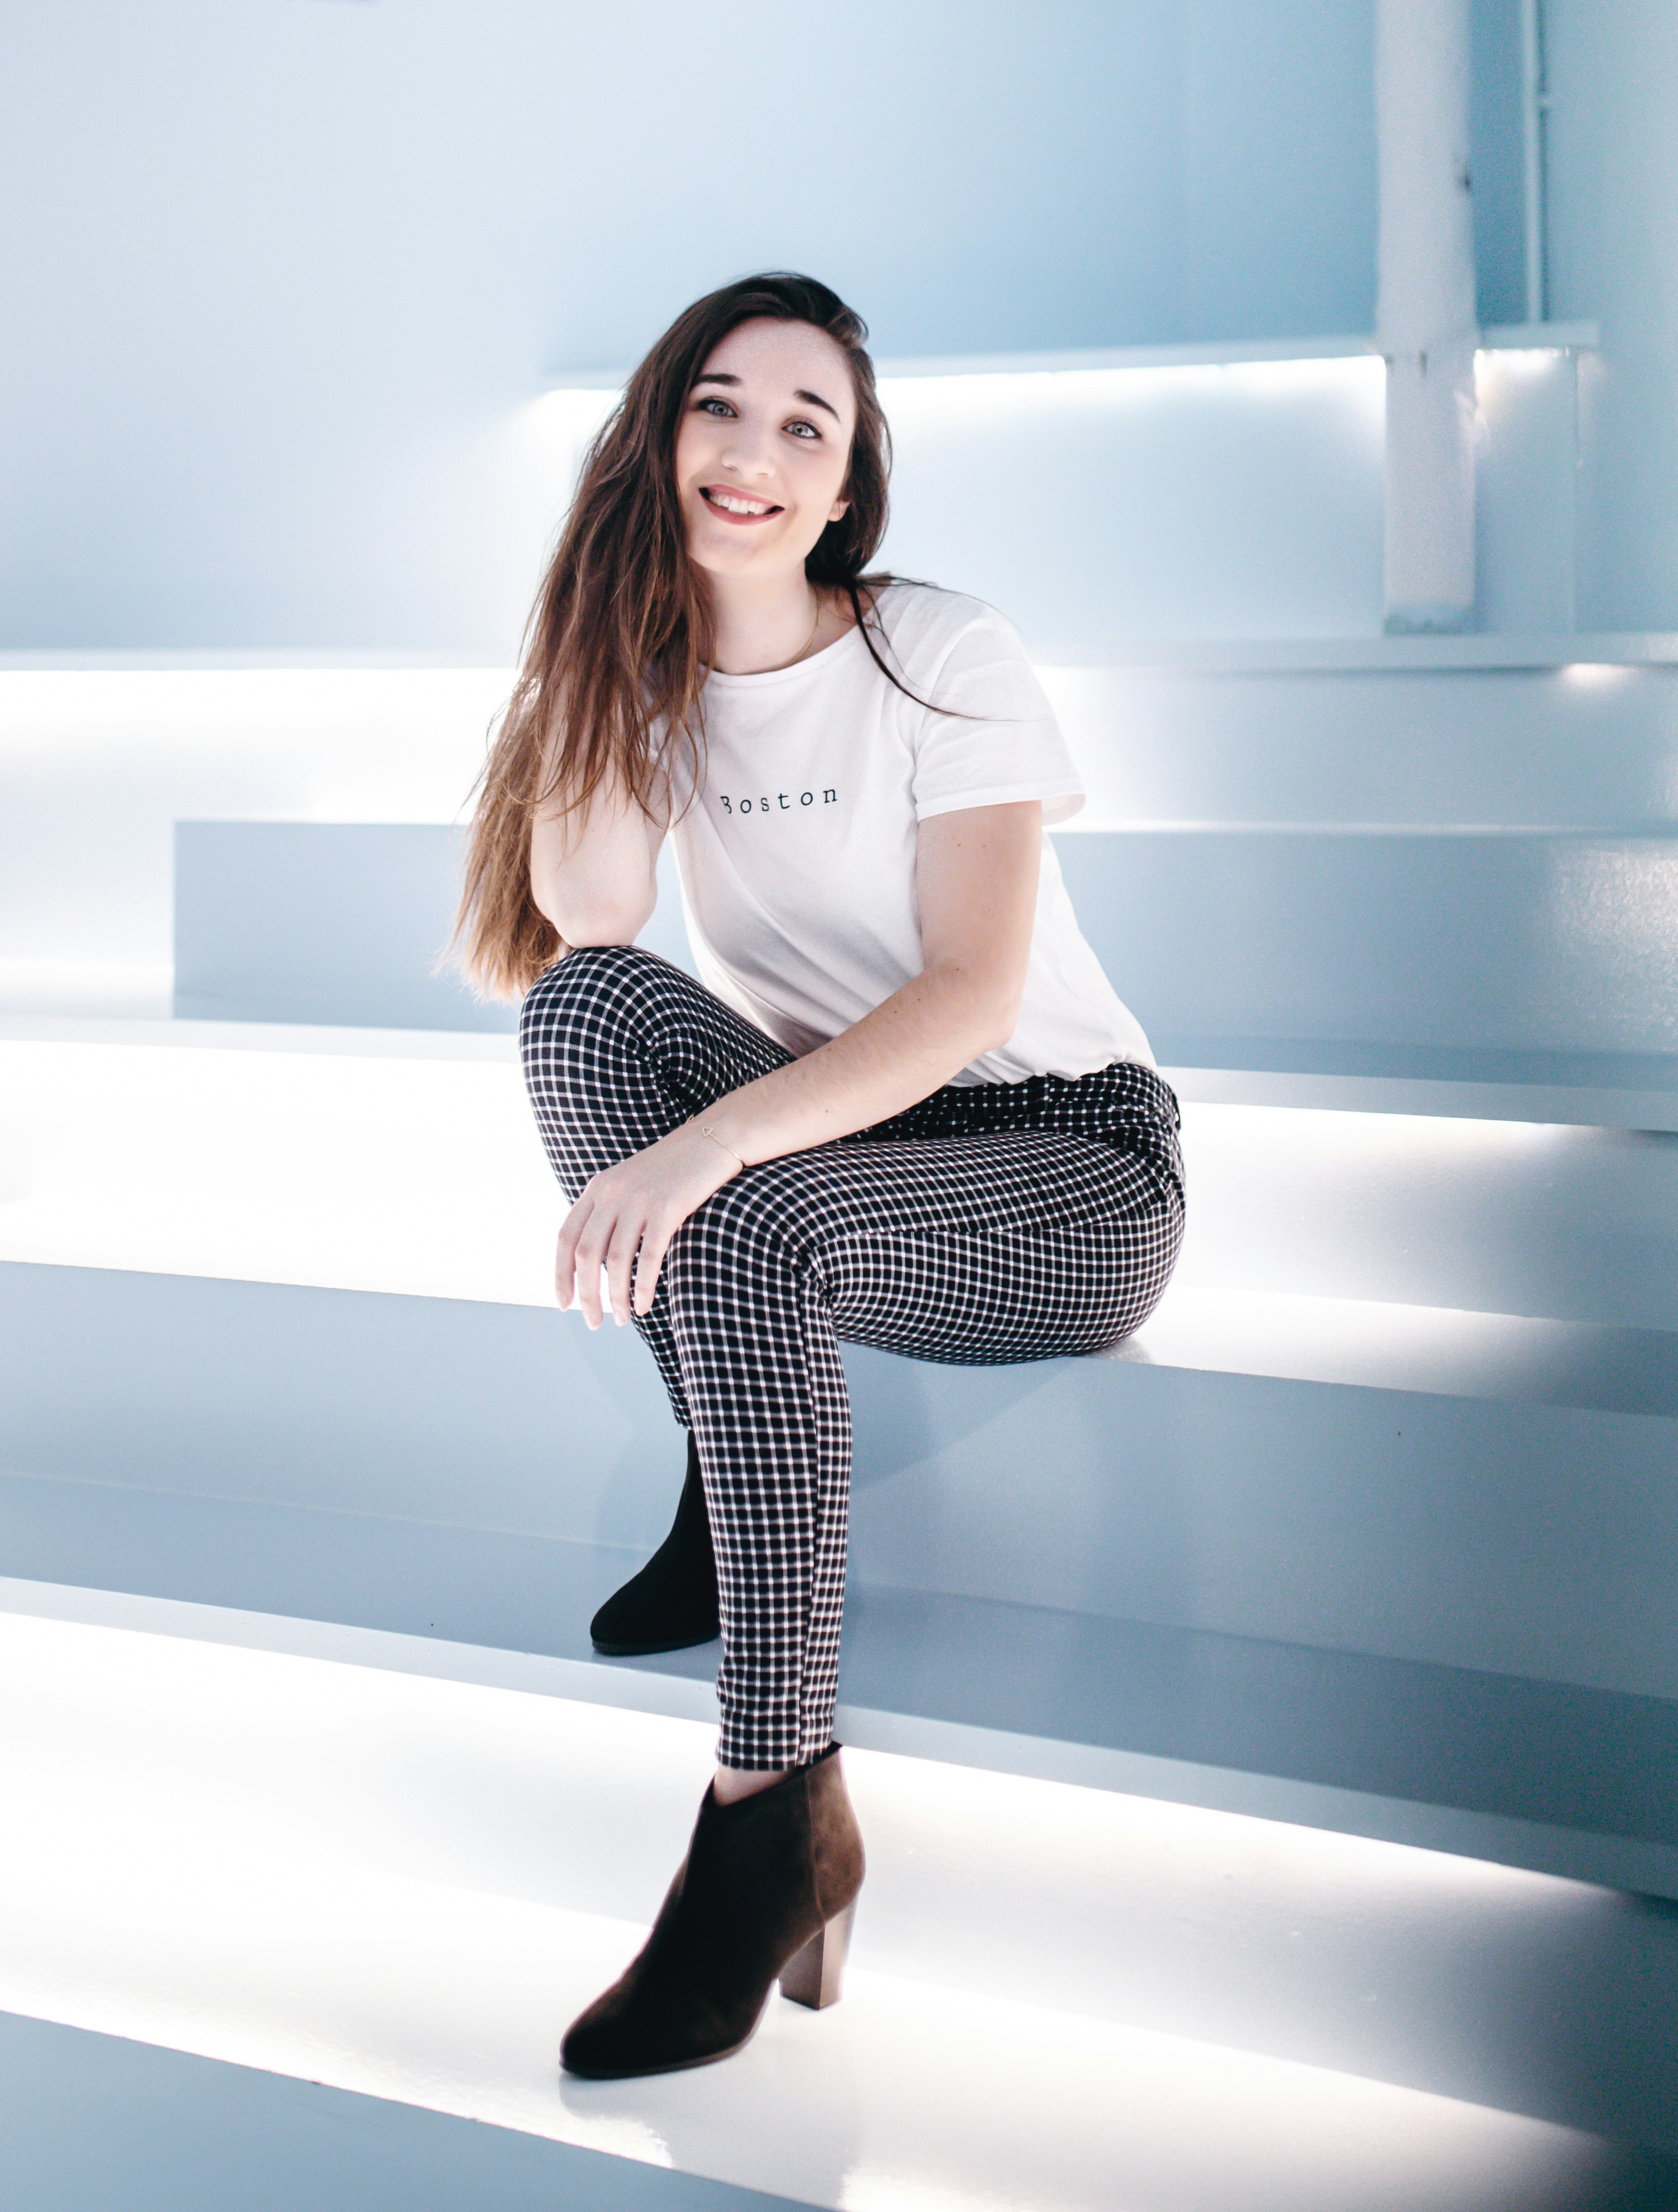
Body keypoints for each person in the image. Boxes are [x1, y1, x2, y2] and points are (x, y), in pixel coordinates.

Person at [458, 271, 1182, 2080]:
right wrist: (599, 648)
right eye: (718, 405)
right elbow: (602, 922)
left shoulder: (939, 651)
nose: (757, 452)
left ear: (852, 483)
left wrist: (712, 1151)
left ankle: (774, 1805)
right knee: (581, 1015)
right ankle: (737, 1469)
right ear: (660, 433)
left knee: (752, 1200)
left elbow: (968, 995)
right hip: (846, 1145)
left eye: (809, 425)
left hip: (1069, 1167)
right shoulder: (653, 677)